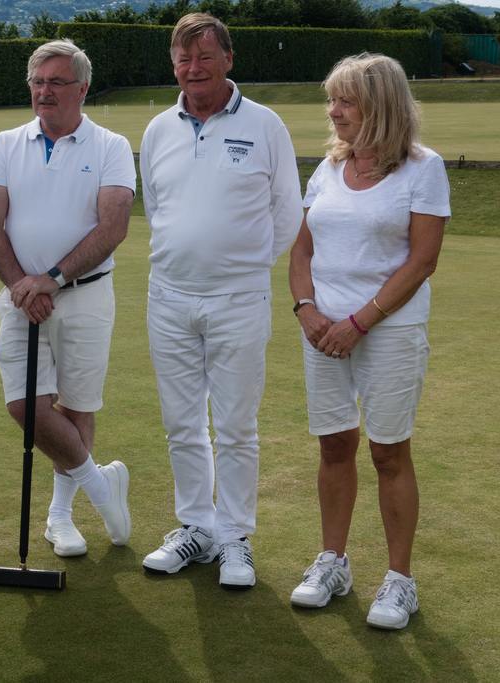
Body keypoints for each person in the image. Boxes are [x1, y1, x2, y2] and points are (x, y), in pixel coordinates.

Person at [287, 53, 449, 630]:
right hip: (322, 331)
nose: (333, 112)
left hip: (387, 332)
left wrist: (357, 323)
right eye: (332, 100)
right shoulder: (328, 169)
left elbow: (422, 260)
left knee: (387, 452)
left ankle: (400, 580)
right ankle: (334, 562)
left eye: (346, 101)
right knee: (334, 446)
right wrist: (307, 311)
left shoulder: (422, 169)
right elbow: (302, 250)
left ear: (380, 105)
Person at [139, 13, 302, 586]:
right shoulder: (159, 129)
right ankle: (196, 529)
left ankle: (234, 536)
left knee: (235, 426)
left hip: (238, 299)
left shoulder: (265, 125)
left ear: (228, 59)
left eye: (205, 57)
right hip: (169, 297)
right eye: (183, 59)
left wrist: (245, 266)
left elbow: (287, 212)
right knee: (181, 424)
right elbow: (158, 208)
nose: (194, 69)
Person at [0, 39, 135, 557]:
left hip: (85, 295)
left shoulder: (110, 145)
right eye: (38, 83)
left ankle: (60, 517)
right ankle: (100, 484)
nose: (45, 92)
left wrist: (54, 278)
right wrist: (25, 286)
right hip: (22, 296)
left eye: (57, 83)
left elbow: (112, 228)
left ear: (82, 89)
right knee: (25, 404)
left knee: (76, 405)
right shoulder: (5, 143)